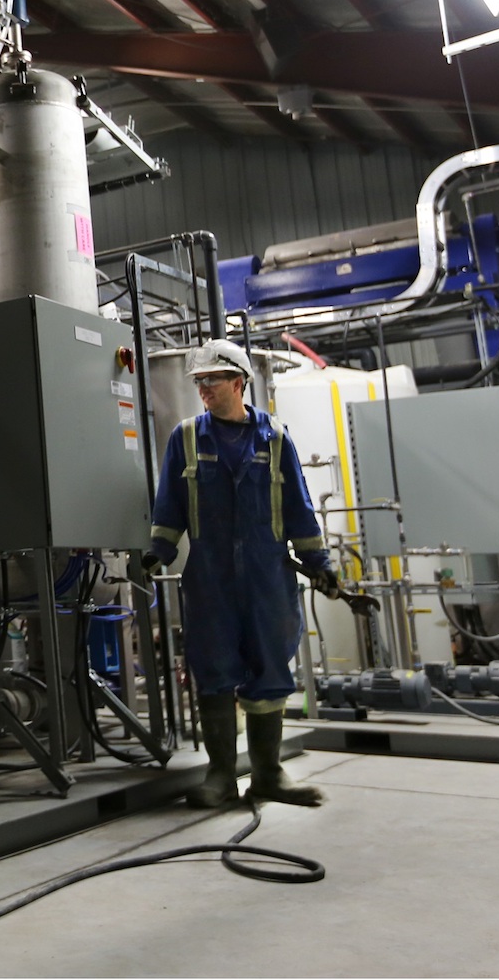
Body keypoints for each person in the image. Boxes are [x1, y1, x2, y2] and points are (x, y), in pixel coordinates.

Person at [147, 339, 337, 808]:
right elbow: (169, 504)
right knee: (213, 669)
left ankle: (268, 775)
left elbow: (299, 508)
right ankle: (221, 776)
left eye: (211, 379)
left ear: (239, 381)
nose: (203, 388)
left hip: (267, 575)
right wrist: (158, 551)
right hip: (210, 577)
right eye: (198, 381)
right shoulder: (186, 437)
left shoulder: (275, 439)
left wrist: (321, 564)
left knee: (270, 668)